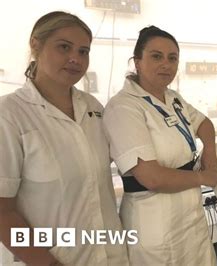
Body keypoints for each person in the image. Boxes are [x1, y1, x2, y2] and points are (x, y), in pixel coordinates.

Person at [0, 11, 128, 265]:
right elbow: (3, 213)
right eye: (64, 47)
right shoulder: (9, 116)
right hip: (52, 258)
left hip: (110, 254)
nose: (75, 59)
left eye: (83, 51)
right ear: (36, 45)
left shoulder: (93, 107)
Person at [103, 26, 217, 265]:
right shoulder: (123, 107)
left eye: (172, 58)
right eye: (156, 56)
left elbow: (205, 124)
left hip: (191, 216)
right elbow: (152, 178)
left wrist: (210, 153)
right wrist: (205, 177)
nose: (166, 64)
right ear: (137, 61)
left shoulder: (173, 98)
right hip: (155, 224)